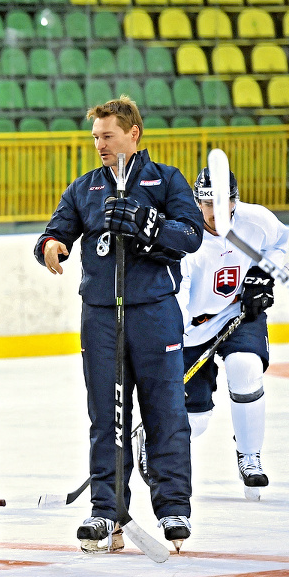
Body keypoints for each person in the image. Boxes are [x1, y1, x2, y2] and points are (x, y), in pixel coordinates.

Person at [34, 96, 204, 553]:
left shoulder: (167, 180)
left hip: (155, 312)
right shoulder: (85, 187)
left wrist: (150, 223)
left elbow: (191, 236)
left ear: (134, 134)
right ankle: (106, 512)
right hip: (101, 316)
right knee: (106, 417)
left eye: (107, 137)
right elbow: (53, 231)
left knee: (166, 413)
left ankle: (173, 508)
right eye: (95, 138)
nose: (99, 145)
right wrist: (51, 246)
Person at [175, 168, 288, 500]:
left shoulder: (257, 221)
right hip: (191, 328)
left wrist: (262, 275)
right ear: (197, 203)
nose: (217, 212)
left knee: (245, 367)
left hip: (239, 313)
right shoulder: (183, 236)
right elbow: (176, 296)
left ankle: (249, 455)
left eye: (225, 202)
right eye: (209, 204)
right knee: (196, 422)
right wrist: (182, 336)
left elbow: (278, 245)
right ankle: (154, 446)